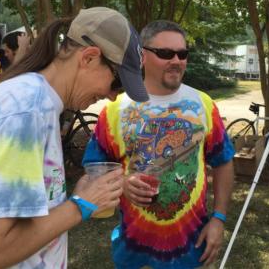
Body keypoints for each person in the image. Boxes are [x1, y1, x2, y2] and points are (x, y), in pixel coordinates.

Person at [0, 7, 149, 268]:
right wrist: (81, 205)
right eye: (116, 84)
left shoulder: (35, 102)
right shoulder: (25, 112)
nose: (112, 96)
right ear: (90, 58)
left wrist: (78, 197)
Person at [83, 20, 235, 268]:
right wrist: (122, 183)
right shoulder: (114, 110)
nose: (176, 60)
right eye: (165, 53)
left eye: (182, 53)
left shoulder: (204, 105)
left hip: (191, 249)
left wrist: (218, 218)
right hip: (133, 250)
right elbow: (94, 168)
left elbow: (224, 162)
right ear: (142, 55)